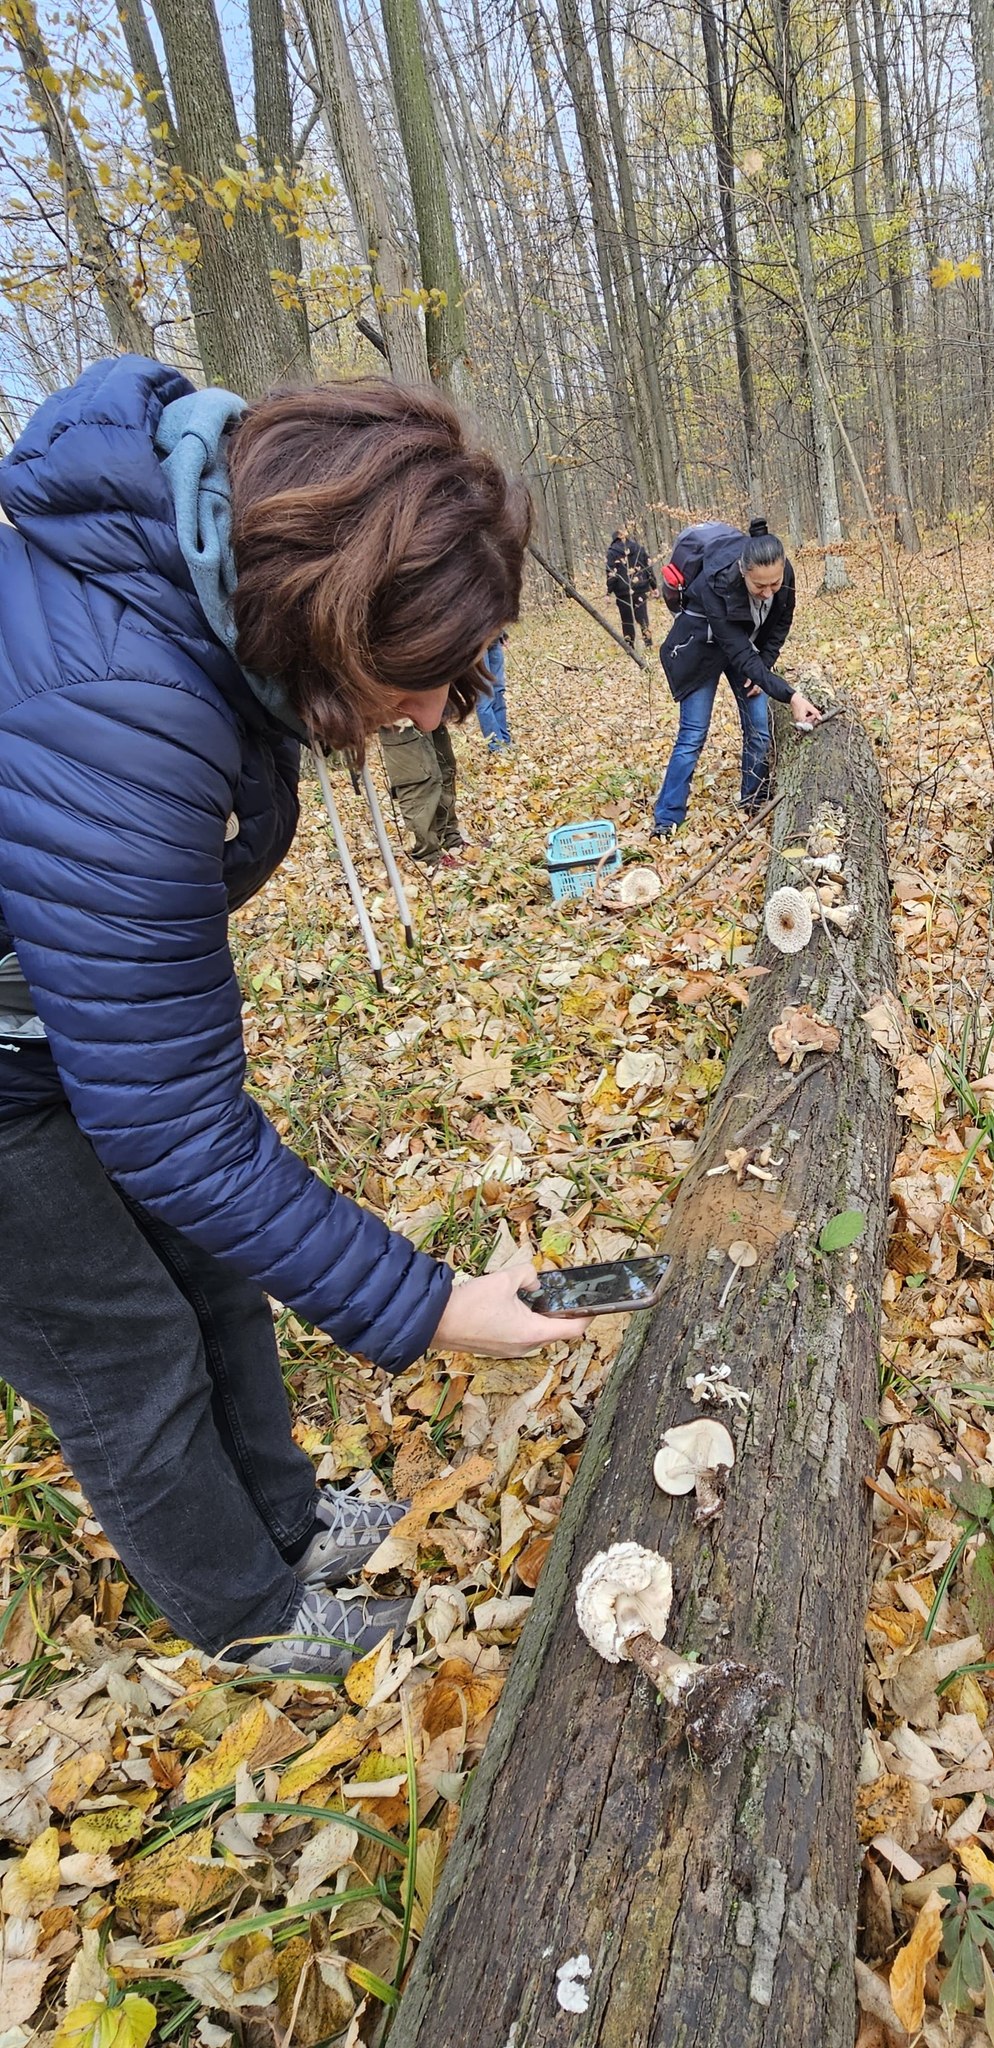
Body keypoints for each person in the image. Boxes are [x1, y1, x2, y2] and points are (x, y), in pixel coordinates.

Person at [0, 357, 588, 1678]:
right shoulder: (124, 711)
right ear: (338, 614)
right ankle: (247, 1617)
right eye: (428, 674)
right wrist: (433, 1307)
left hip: (44, 1016)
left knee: (210, 1273)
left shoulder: (195, 601)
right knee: (122, 1350)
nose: (438, 711)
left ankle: (283, 1519)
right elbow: (177, 1132)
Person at [652, 522, 822, 839]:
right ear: (743, 571)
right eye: (760, 586)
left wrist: (766, 666)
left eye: (775, 583)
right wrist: (791, 696)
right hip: (702, 649)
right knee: (692, 734)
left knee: (759, 726)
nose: (769, 591)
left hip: (748, 647)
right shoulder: (714, 584)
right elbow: (739, 652)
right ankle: (667, 818)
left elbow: (780, 624)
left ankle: (754, 803)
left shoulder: (784, 575)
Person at [378, 717, 470, 866]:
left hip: (425, 703)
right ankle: (428, 858)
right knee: (416, 782)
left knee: (444, 767)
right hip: (395, 710)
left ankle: (449, 839)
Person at [606, 524, 652, 650]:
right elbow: (648, 567)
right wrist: (654, 585)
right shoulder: (638, 548)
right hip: (640, 587)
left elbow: (612, 573)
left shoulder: (612, 552)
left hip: (622, 591)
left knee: (627, 619)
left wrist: (608, 592)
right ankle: (648, 643)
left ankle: (630, 646)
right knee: (642, 616)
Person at [476, 630, 511, 756]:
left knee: (498, 692)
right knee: (484, 696)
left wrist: (502, 632)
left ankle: (505, 742)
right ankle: (496, 747)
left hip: (494, 637)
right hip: (476, 642)